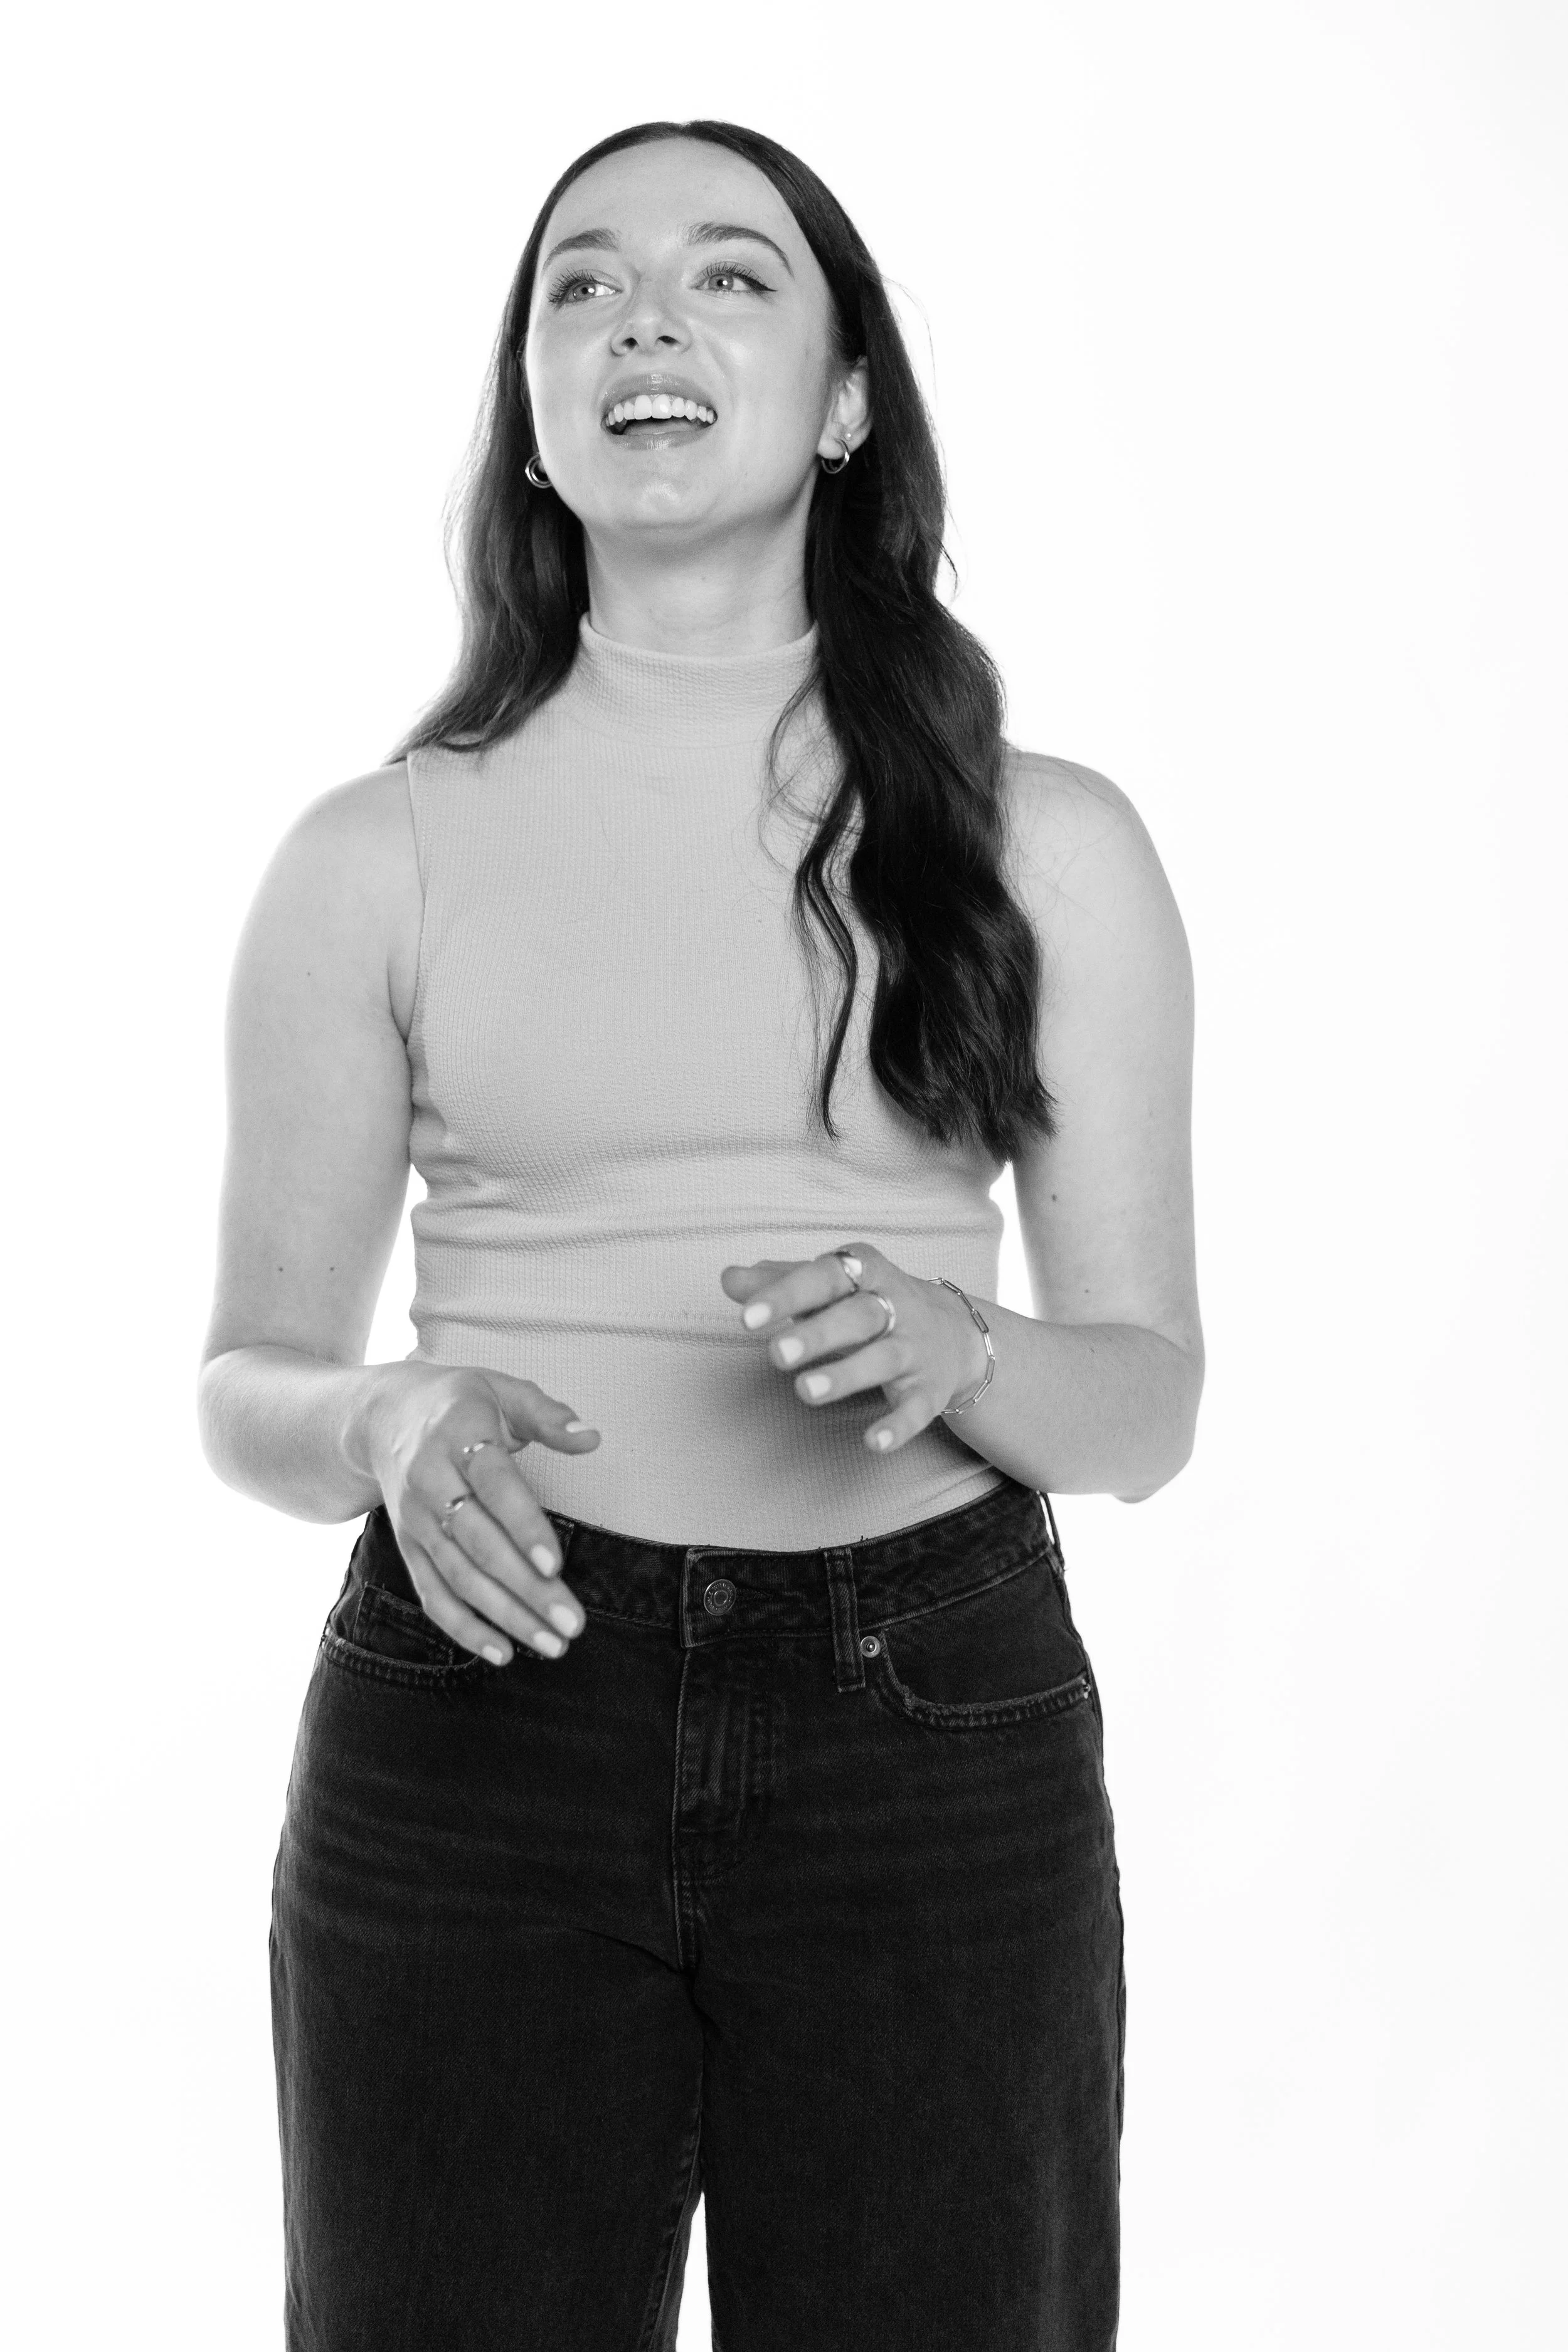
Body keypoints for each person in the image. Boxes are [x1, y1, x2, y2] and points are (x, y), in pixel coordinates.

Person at [197, 115, 1202, 2352]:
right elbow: (245, 1378)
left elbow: (1146, 1401)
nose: (643, 316)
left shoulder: (1048, 842)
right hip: (479, 1716)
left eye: (730, 274)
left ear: (844, 404)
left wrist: (962, 1348)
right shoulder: (373, 856)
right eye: (583, 283)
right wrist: (379, 1419)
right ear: (534, 415)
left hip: (924, 1728)